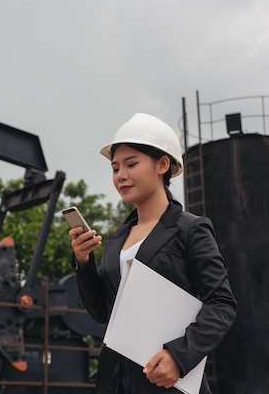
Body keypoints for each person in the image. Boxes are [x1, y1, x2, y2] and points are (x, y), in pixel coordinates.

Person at [69, 113, 237, 394]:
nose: (121, 175)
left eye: (131, 164)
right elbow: (102, 312)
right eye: (115, 168)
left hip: (168, 383)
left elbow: (222, 304)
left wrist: (179, 356)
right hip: (117, 383)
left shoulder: (191, 229)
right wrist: (84, 263)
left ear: (163, 164)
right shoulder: (117, 240)